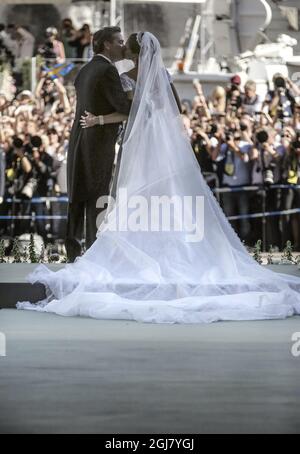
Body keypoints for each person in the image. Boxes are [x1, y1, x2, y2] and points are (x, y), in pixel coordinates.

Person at [17, 32, 300, 324]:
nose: (122, 44)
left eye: (126, 43)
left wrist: (103, 119)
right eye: (119, 41)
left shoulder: (142, 73)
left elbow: (152, 108)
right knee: (138, 198)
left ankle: (151, 253)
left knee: (151, 197)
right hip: (138, 141)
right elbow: (135, 108)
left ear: (134, 50)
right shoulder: (123, 72)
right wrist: (113, 115)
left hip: (150, 142)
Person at [65, 26, 131, 262]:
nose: (123, 46)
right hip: (98, 145)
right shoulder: (107, 71)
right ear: (107, 45)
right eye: (119, 41)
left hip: (77, 142)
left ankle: (72, 255)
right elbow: (126, 110)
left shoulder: (84, 70)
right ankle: (94, 258)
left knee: (77, 197)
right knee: (97, 198)